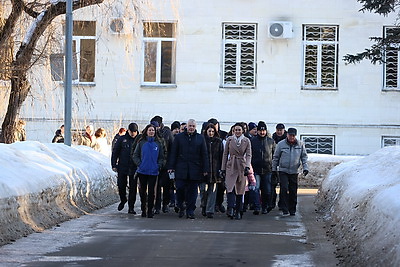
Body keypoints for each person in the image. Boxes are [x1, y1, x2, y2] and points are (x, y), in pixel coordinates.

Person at [168, 119, 209, 219]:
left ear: (196, 127)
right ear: (187, 126)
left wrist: (205, 168)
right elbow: (174, 153)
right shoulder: (179, 138)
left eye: (193, 126)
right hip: (181, 168)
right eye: (190, 126)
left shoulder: (200, 138)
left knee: (193, 192)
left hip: (195, 169)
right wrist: (171, 167)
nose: (191, 128)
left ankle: (190, 210)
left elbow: (204, 154)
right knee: (180, 189)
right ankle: (181, 206)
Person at [272, 127, 309, 216]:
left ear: (295, 136)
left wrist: (305, 168)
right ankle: (284, 208)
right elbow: (276, 157)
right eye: (290, 135)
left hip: (294, 171)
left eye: (293, 136)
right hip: (283, 170)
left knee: (293, 190)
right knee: (284, 188)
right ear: (287, 135)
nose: (291, 137)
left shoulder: (300, 144)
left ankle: (292, 209)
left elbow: (304, 157)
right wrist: (274, 169)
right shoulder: (281, 144)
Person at [133, 124, 166, 218]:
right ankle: (144, 208)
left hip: (154, 171)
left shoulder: (158, 143)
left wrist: (158, 166)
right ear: (146, 131)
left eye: (153, 130)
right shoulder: (141, 142)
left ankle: (150, 210)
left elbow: (162, 157)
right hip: (142, 171)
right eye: (150, 130)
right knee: (143, 191)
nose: (151, 132)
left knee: (152, 192)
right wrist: (140, 164)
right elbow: (135, 155)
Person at [221, 122, 252, 220]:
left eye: (239, 130)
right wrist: (223, 168)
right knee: (230, 187)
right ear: (233, 131)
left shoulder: (246, 141)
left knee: (240, 189)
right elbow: (225, 154)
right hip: (231, 165)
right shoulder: (229, 140)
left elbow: (248, 155)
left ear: (243, 131)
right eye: (236, 130)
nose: (237, 132)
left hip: (241, 165)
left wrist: (247, 166)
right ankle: (230, 208)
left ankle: (238, 210)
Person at [111, 123, 139, 213]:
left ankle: (131, 207)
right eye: (132, 131)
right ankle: (123, 199)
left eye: (135, 132)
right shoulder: (122, 139)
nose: (133, 134)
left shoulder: (139, 140)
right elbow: (115, 152)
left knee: (133, 188)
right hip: (123, 165)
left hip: (134, 167)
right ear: (128, 130)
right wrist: (114, 164)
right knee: (121, 185)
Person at [250, 121, 276, 214]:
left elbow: (275, 155)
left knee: (267, 190)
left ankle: (265, 206)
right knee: (256, 189)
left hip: (267, 169)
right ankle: (257, 207)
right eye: (260, 131)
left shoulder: (271, 141)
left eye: (264, 130)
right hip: (256, 169)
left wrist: (274, 168)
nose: (262, 132)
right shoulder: (253, 141)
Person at [150, 115, 174, 214]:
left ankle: (165, 204)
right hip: (155, 164)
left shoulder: (167, 133)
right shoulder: (151, 133)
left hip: (166, 164)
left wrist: (171, 165)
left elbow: (172, 149)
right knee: (156, 186)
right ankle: (157, 206)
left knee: (166, 186)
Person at [199, 123, 224, 218]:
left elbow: (221, 156)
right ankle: (204, 205)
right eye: (209, 131)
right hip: (203, 170)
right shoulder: (202, 141)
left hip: (215, 170)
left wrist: (221, 169)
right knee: (202, 190)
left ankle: (210, 210)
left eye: (213, 131)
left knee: (212, 191)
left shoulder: (218, 142)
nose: (211, 133)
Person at [208, 118, 228, 213]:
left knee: (221, 188)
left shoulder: (222, 136)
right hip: (208, 168)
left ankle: (218, 204)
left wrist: (222, 168)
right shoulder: (204, 138)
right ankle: (209, 206)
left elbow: (222, 154)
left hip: (218, 167)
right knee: (208, 189)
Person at [271, 123, 287, 210]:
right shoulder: (272, 138)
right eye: (278, 130)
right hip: (274, 164)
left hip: (284, 166)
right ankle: (272, 202)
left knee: (284, 186)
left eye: (281, 130)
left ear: (284, 130)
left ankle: (282, 204)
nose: (279, 132)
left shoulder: (287, 139)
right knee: (272, 185)